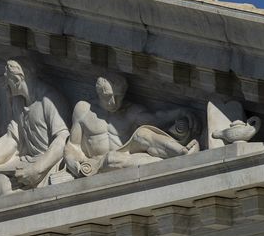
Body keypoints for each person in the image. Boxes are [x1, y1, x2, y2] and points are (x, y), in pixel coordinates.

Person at [65, 72, 198, 176]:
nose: (114, 102)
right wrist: (72, 161)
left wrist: (179, 112)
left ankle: (181, 152)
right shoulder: (83, 109)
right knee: (111, 158)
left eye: (118, 96)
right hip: (98, 164)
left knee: (143, 133)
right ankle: (170, 163)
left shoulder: (130, 110)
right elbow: (73, 145)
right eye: (108, 96)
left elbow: (155, 119)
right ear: (99, 92)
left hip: (127, 153)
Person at [0, 59, 71, 196]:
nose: (5, 86)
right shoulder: (18, 102)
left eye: (7, 80)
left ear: (17, 79)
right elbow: (11, 138)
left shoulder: (49, 99)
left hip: (47, 165)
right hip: (26, 164)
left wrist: (37, 169)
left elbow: (62, 140)